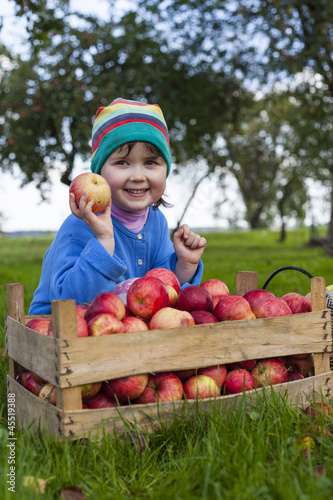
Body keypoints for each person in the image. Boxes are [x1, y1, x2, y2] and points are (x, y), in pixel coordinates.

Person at [29, 97, 207, 314]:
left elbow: (165, 291)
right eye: (122, 163)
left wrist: (186, 264)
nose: (138, 176)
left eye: (150, 162)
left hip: (120, 330)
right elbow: (71, 303)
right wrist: (104, 240)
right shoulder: (81, 225)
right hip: (62, 330)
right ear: (99, 174)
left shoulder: (156, 221)